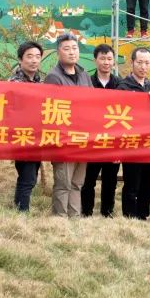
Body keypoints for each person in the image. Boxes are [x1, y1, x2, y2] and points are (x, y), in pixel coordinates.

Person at [44, 33, 92, 217]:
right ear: (58, 53)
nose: (72, 52)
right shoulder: (53, 77)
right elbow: (51, 111)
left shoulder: (84, 75)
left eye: (75, 48)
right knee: (63, 183)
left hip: (83, 138)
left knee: (77, 183)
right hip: (64, 140)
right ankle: (60, 220)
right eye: (66, 49)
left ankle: (74, 218)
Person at [118, 47, 150, 219]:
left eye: (147, 63)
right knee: (132, 183)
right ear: (132, 63)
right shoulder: (123, 87)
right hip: (132, 143)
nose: (143, 66)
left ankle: (143, 215)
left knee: (149, 183)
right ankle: (130, 216)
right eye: (140, 62)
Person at [82, 44, 122, 217]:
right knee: (88, 179)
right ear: (95, 60)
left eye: (109, 59)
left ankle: (107, 211)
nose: (106, 62)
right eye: (102, 58)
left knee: (110, 180)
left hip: (113, 140)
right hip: (91, 140)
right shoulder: (87, 83)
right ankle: (86, 211)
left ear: (113, 61)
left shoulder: (121, 84)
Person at [8, 41, 44, 211]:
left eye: (37, 57)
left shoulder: (40, 81)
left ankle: (20, 208)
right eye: (29, 56)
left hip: (37, 137)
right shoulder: (14, 82)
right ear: (20, 59)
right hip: (22, 136)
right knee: (27, 177)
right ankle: (22, 212)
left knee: (30, 176)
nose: (34, 60)